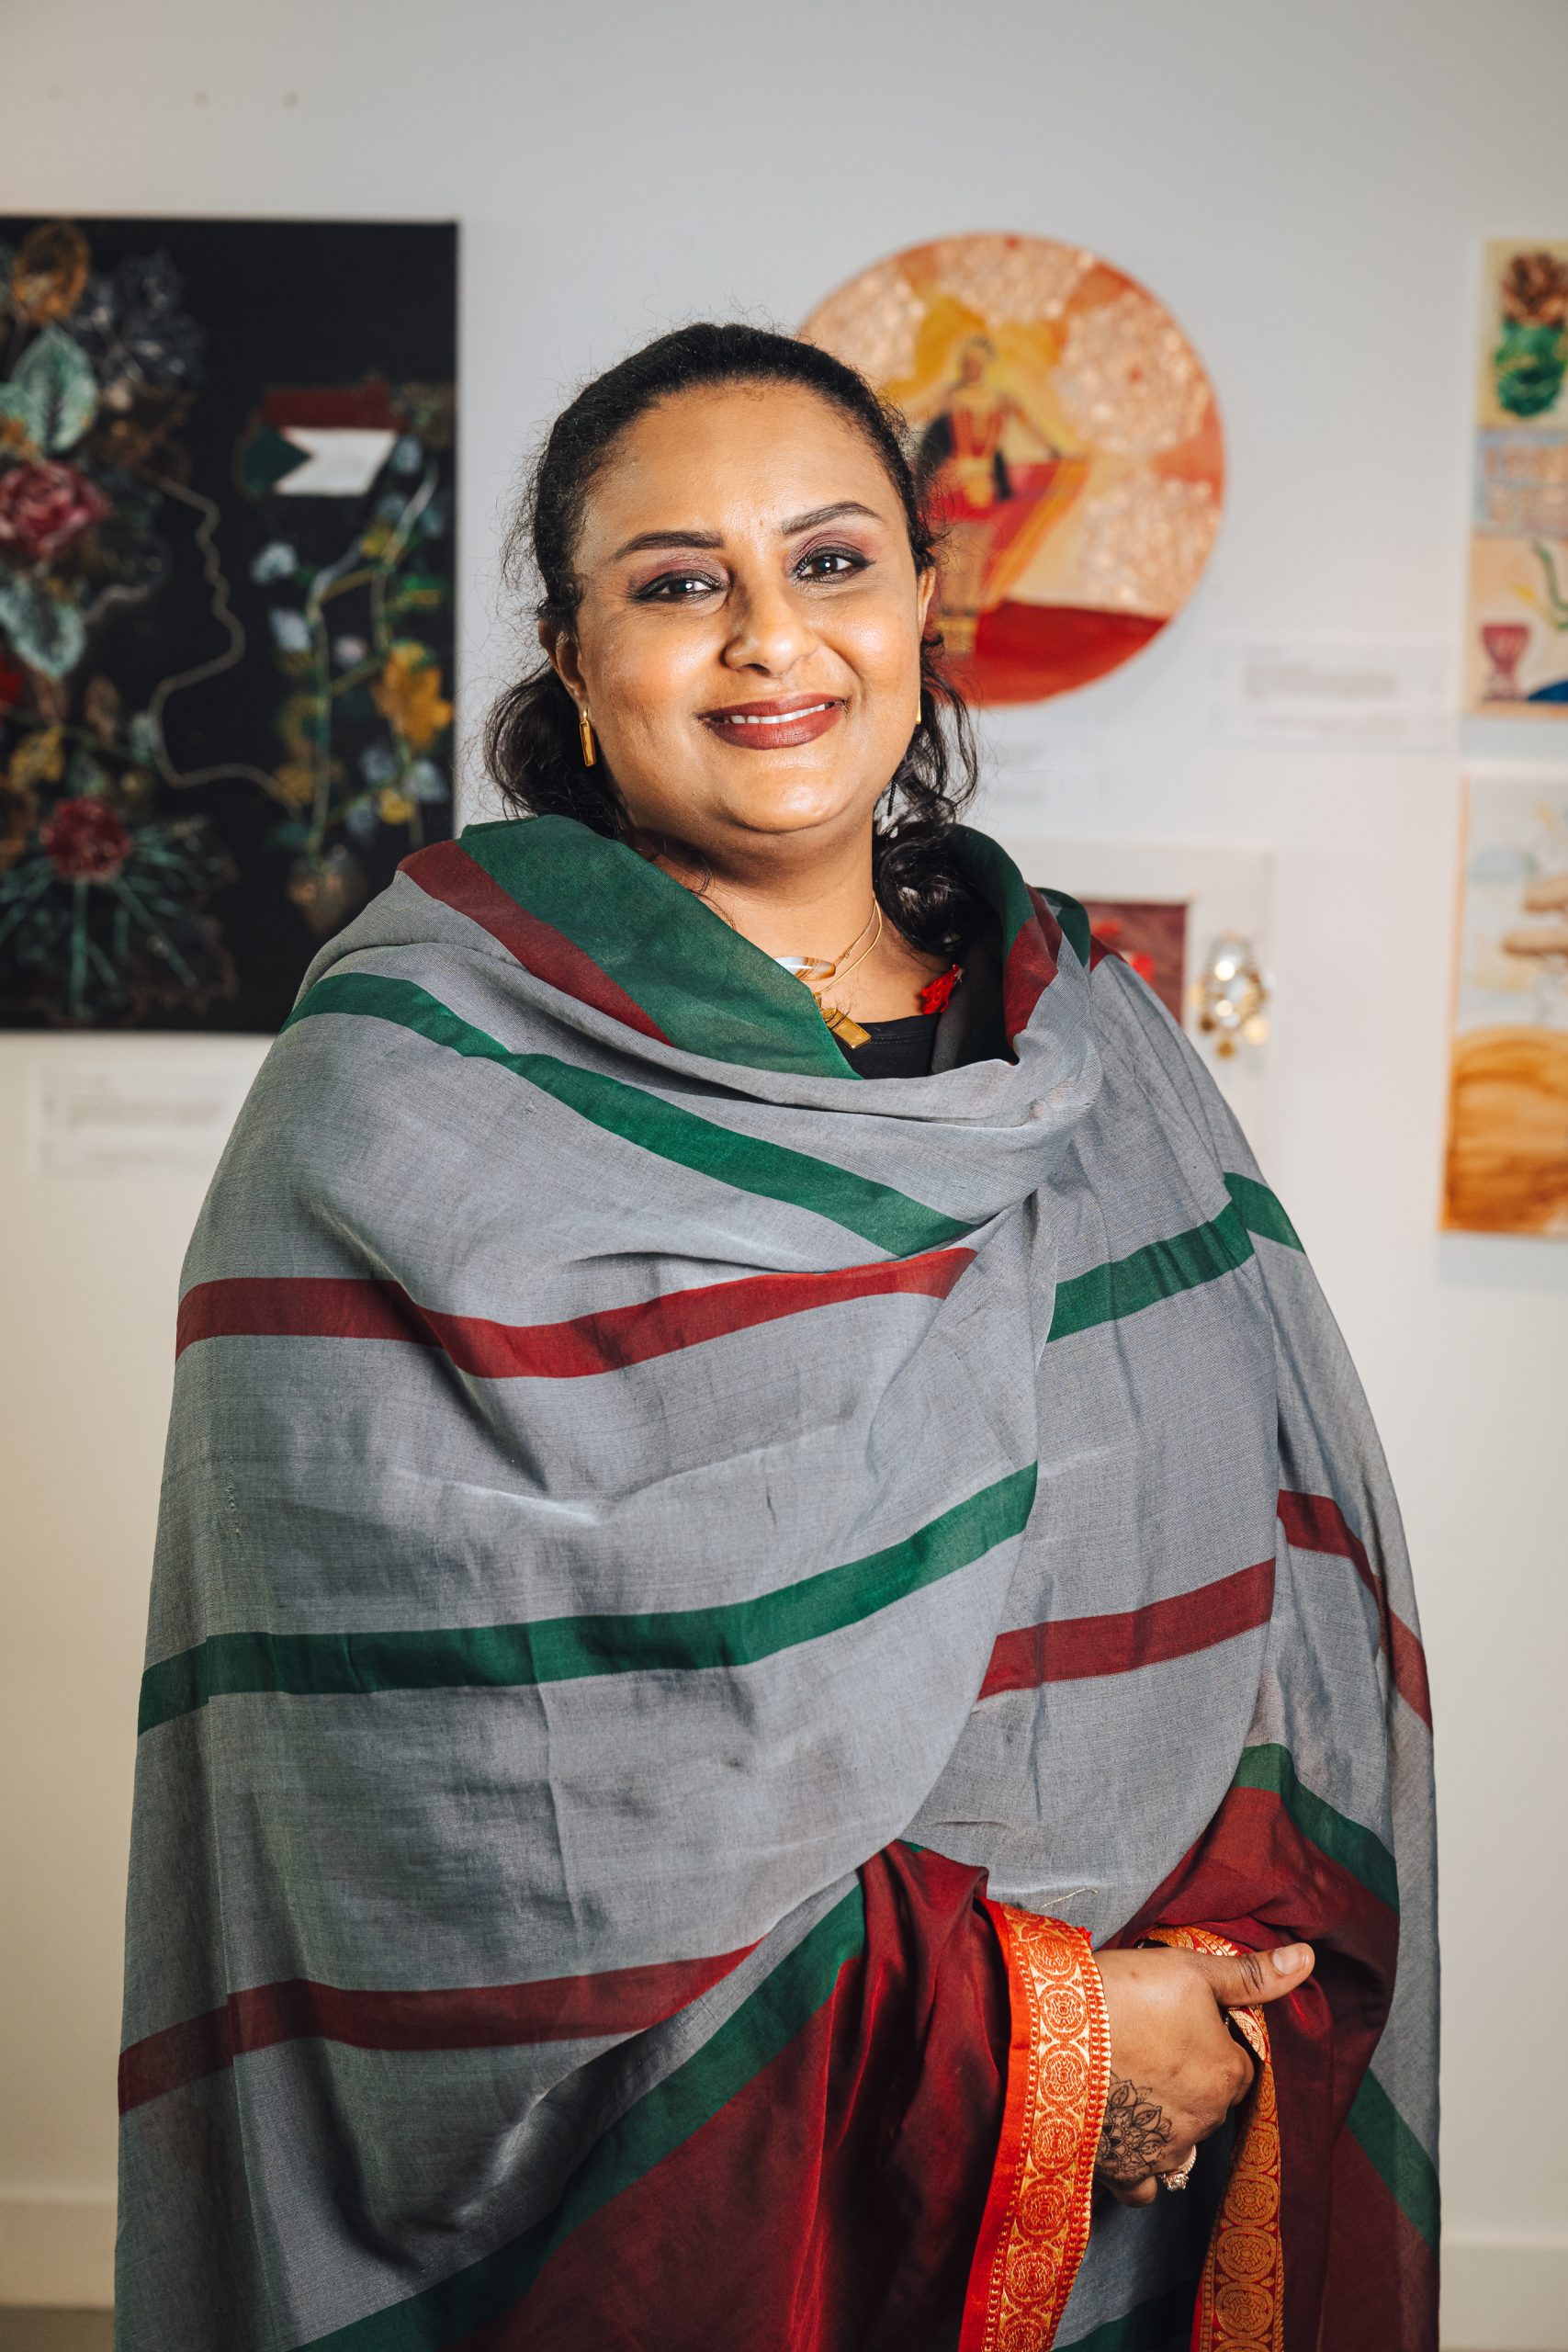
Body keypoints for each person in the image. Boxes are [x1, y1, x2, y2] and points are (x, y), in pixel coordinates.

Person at [117, 323, 1437, 2352]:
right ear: (573, 659)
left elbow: (1278, 1564)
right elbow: (431, 1780)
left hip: (1154, 2179)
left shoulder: (1089, 1035)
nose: (766, 639)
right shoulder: (406, 1088)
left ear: (923, 596)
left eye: (826, 562)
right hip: (698, 2198)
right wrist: (1059, 2034)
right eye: (675, 583)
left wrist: (1206, 1983)